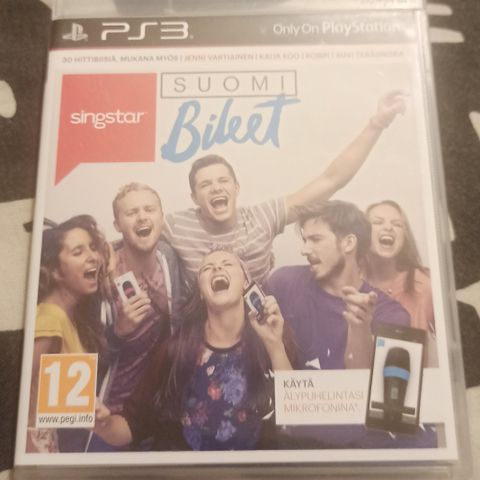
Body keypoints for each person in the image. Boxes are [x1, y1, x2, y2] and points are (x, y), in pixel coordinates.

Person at [163, 92, 406, 286]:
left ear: (236, 188)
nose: (216, 188)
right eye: (206, 185)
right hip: (200, 327)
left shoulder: (261, 218)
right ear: (194, 198)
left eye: (223, 181)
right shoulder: (176, 226)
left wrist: (378, 123)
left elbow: (331, 180)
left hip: (257, 324)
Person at [265, 201, 436, 448]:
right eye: (304, 240)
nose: (304, 249)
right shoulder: (284, 283)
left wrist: (360, 329)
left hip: (365, 447)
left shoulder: (392, 315)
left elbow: (389, 412)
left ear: (348, 243)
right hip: (296, 441)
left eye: (315, 239)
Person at [94, 249, 293, 451]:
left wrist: (274, 344)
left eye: (227, 264)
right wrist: (104, 424)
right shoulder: (176, 351)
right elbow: (131, 425)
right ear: (200, 292)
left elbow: (295, 414)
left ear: (245, 283)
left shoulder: (272, 337)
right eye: (207, 268)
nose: (217, 268)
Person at [87, 183, 187, 453]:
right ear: (117, 225)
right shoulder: (100, 279)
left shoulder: (168, 258)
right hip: (107, 413)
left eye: (149, 209)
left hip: (155, 408)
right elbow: (81, 358)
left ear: (162, 218)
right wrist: (118, 331)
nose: (142, 217)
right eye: (131, 212)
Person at [27, 215, 110, 453]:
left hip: (50, 442)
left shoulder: (66, 317)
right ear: (55, 271)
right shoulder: (49, 321)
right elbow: (15, 397)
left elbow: (52, 399)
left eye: (92, 248)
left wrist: (93, 410)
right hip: (32, 445)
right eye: (78, 252)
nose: (93, 256)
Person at [365, 200, 436, 365]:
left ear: (404, 237)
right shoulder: (350, 284)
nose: (388, 228)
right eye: (378, 222)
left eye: (397, 224)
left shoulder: (426, 284)